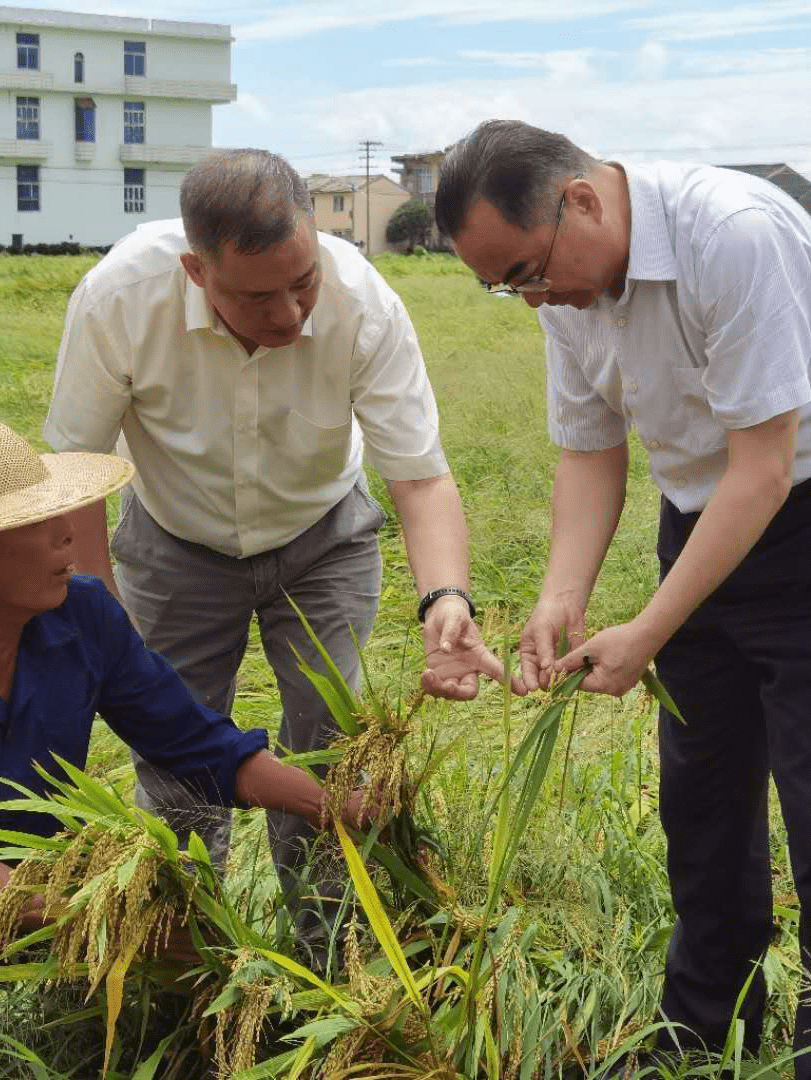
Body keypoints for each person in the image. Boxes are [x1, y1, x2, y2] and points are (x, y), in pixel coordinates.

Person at [435, 121, 811, 1080]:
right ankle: (703, 1037)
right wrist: (558, 599)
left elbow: (765, 467)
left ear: (581, 198)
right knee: (701, 800)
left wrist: (653, 628)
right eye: (505, 287)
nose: (532, 297)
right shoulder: (562, 283)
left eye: (529, 271)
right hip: (706, 512)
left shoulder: (727, 234)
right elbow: (590, 448)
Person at [0, 413, 375, 1068]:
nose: (67, 535)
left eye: (58, 514)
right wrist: (107, 925)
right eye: (37, 525)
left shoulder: (85, 617)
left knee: (179, 937)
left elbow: (197, 744)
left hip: (43, 864)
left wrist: (331, 804)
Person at [43, 149, 508, 953]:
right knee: (175, 750)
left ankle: (325, 958)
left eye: (303, 283)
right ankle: (186, 955)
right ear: (195, 269)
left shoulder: (363, 301)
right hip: (173, 538)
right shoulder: (119, 298)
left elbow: (421, 479)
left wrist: (448, 601)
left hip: (323, 536)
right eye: (259, 296)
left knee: (330, 747)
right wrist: (102, 614)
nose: (291, 314)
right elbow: (76, 474)